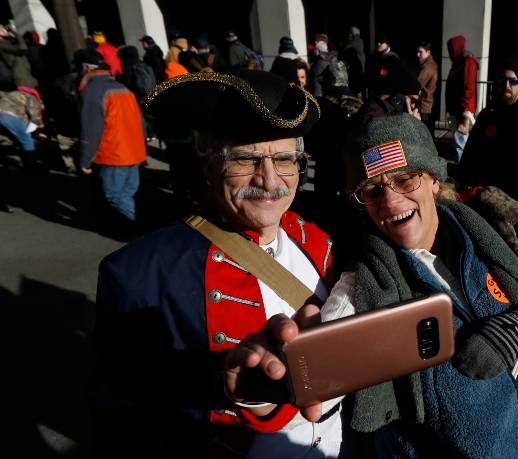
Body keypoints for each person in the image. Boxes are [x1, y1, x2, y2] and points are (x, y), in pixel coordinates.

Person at [228, 113, 518, 458]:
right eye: (371, 190)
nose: (390, 200)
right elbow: (318, 388)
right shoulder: (362, 288)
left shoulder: (494, 242)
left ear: (433, 180)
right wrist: (266, 390)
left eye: (405, 178)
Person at [92, 70, 340, 457]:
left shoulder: (321, 240)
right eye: (246, 158)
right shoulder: (138, 273)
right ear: (208, 162)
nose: (270, 181)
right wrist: (225, 385)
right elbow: (125, 413)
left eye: (286, 159)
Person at [457, 57, 518, 212]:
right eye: (502, 80)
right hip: (486, 201)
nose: (506, 85)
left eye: (512, 81)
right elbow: (470, 155)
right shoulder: (487, 116)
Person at [78, 49, 146, 223]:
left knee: (115, 195)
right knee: (128, 193)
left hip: (113, 153)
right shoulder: (122, 88)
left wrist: (85, 160)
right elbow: (140, 122)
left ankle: (143, 230)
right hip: (134, 151)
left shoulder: (93, 90)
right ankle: (137, 228)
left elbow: (91, 130)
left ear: (86, 67)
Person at [446, 34, 478, 162]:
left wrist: (466, 110)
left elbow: (468, 87)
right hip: (458, 107)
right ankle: (463, 168)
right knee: (460, 140)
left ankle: (462, 170)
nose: (450, 52)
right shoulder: (459, 62)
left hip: (462, 108)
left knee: (461, 141)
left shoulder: (467, 62)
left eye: (451, 48)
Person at [0, 88, 44, 170]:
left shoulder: (12, 93)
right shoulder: (32, 98)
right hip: (7, 117)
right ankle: (31, 166)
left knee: (10, 139)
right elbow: (35, 116)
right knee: (27, 140)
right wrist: (40, 124)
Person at [416, 41, 438, 134]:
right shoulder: (432, 64)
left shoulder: (427, 67)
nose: (417, 54)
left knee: (425, 134)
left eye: (421, 52)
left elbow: (417, 85)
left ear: (428, 52)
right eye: (417, 52)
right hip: (429, 105)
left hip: (425, 106)